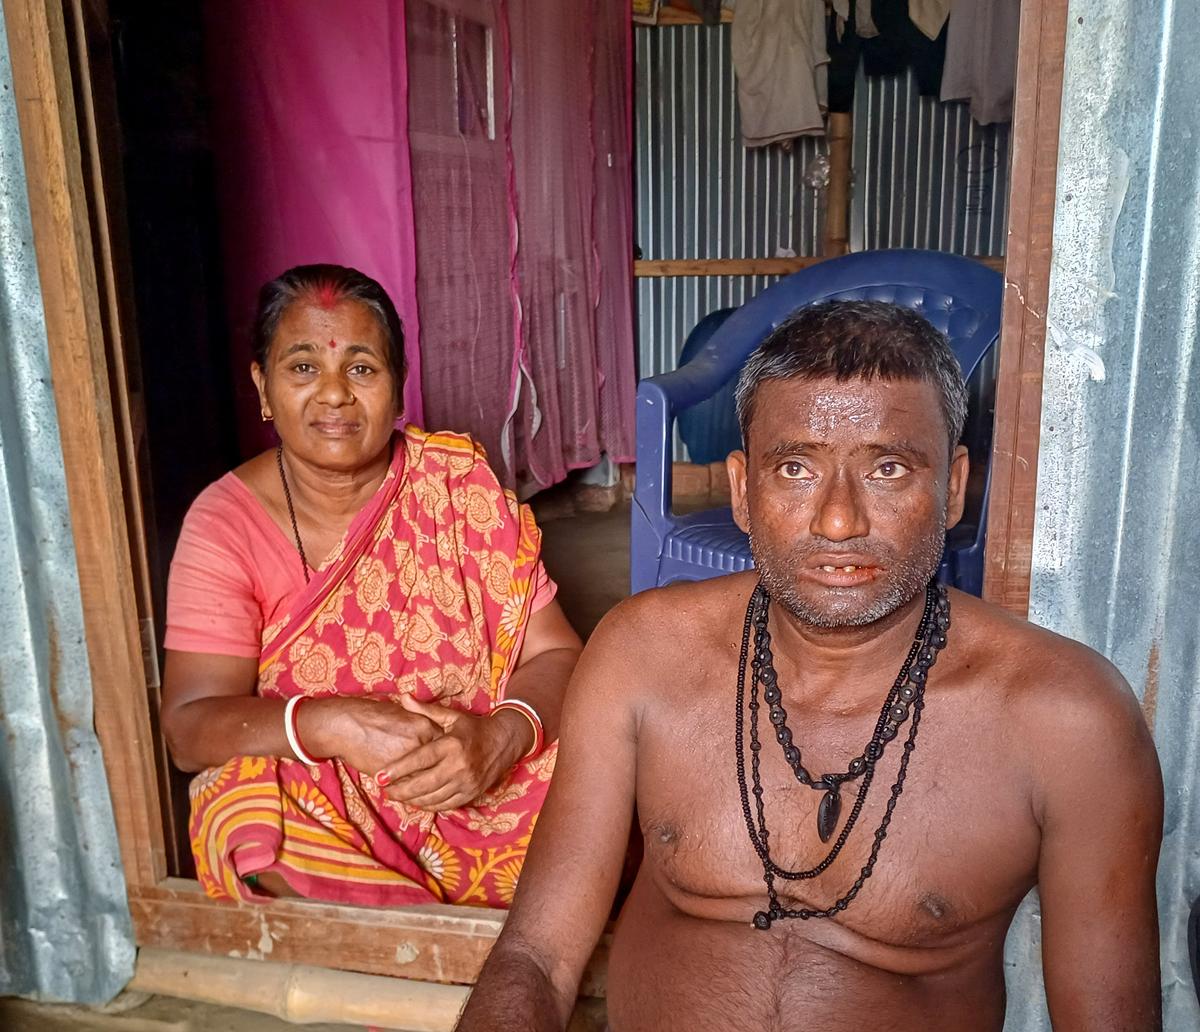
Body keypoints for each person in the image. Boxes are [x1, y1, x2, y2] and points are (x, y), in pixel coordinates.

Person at [457, 301, 1163, 1031]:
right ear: (742, 489)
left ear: (951, 488)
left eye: (887, 468)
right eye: (796, 468)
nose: (837, 521)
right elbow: (537, 955)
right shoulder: (643, 654)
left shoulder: (1068, 721)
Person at [162, 263, 582, 907]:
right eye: (303, 368)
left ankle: (480, 944)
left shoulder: (454, 484)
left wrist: (499, 738)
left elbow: (556, 655)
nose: (334, 394)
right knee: (235, 803)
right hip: (330, 787)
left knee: (613, 760)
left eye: (361, 368)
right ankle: (456, 939)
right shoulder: (225, 524)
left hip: (472, 764)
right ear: (263, 387)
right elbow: (190, 728)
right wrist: (329, 725)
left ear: (399, 388)